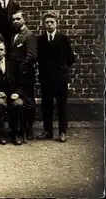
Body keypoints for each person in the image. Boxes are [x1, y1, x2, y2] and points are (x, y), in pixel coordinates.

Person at [37, 11, 76, 142]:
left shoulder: (63, 38)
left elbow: (71, 57)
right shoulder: (41, 39)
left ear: (56, 23)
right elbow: (40, 59)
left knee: (61, 106)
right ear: (44, 24)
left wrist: (63, 69)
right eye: (47, 22)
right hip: (46, 79)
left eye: (51, 22)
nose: (49, 25)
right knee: (46, 105)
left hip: (60, 79)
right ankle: (48, 130)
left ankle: (62, 132)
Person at [0, 40, 26, 145]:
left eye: (1, 49)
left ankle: (16, 133)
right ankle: (0, 134)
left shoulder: (13, 64)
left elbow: (21, 83)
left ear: (5, 51)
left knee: (18, 104)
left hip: (12, 95)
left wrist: (17, 93)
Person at [8, 10, 37, 141]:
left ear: (24, 20)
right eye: (13, 19)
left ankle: (29, 128)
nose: (15, 21)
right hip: (15, 72)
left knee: (29, 100)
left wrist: (22, 67)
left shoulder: (29, 35)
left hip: (25, 73)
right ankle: (19, 128)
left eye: (18, 19)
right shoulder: (13, 34)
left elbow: (32, 55)